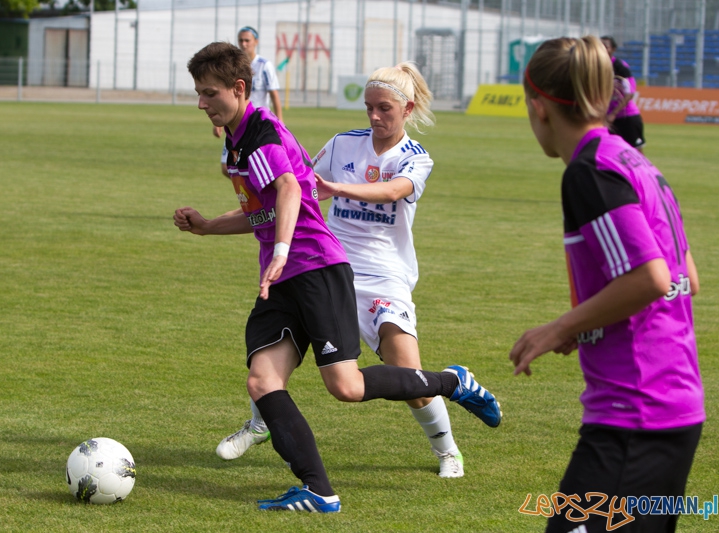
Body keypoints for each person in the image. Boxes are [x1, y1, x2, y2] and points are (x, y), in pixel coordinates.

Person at [175, 42, 502, 513]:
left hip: (327, 268)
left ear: (238, 88)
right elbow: (275, 203)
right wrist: (209, 226)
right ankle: (318, 490)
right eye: (198, 94)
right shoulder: (249, 140)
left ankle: (451, 385)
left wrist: (281, 248)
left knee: (349, 385)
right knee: (263, 381)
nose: (201, 103)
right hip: (297, 271)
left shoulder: (262, 136)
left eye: (208, 94)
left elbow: (291, 190)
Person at [216, 62, 467, 479]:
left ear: (407, 109)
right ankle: (259, 425)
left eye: (384, 108)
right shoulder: (342, 145)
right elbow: (298, 188)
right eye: (368, 107)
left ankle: (448, 451)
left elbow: (392, 191)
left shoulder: (416, 158)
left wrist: (337, 188)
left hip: (387, 274)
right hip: (331, 265)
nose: (374, 117)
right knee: (277, 351)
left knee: (408, 371)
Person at [512, 35, 704, 533]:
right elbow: (689, 278)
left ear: (539, 107)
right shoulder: (637, 162)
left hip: (635, 411)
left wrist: (559, 327)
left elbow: (651, 278)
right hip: (672, 405)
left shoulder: (589, 171)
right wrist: (593, 319)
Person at [215, 26, 284, 178]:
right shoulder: (233, 67)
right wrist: (218, 121)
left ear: (255, 42)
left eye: (247, 40)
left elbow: (274, 95)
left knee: (254, 166)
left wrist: (280, 122)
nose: (244, 44)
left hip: (257, 124)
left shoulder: (264, 66)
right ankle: (251, 194)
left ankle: (257, 196)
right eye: (241, 40)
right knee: (227, 168)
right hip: (235, 123)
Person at [601, 36, 645, 152]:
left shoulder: (620, 67)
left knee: (636, 153)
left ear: (613, 49)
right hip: (608, 119)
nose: (602, 49)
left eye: (606, 46)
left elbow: (629, 93)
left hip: (627, 117)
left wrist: (613, 114)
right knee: (611, 152)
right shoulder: (597, 67)